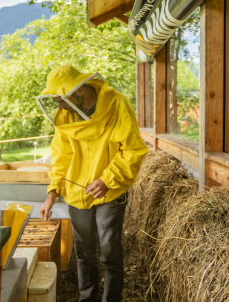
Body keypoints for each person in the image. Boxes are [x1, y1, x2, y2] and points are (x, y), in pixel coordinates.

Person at [36, 65, 148, 302]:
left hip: (109, 193)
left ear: (78, 91)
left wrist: (108, 179)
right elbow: (61, 155)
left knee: (109, 253)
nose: (60, 106)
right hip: (77, 193)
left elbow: (133, 149)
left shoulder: (117, 104)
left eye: (61, 99)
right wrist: (52, 190)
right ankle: (86, 298)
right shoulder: (65, 115)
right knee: (84, 254)